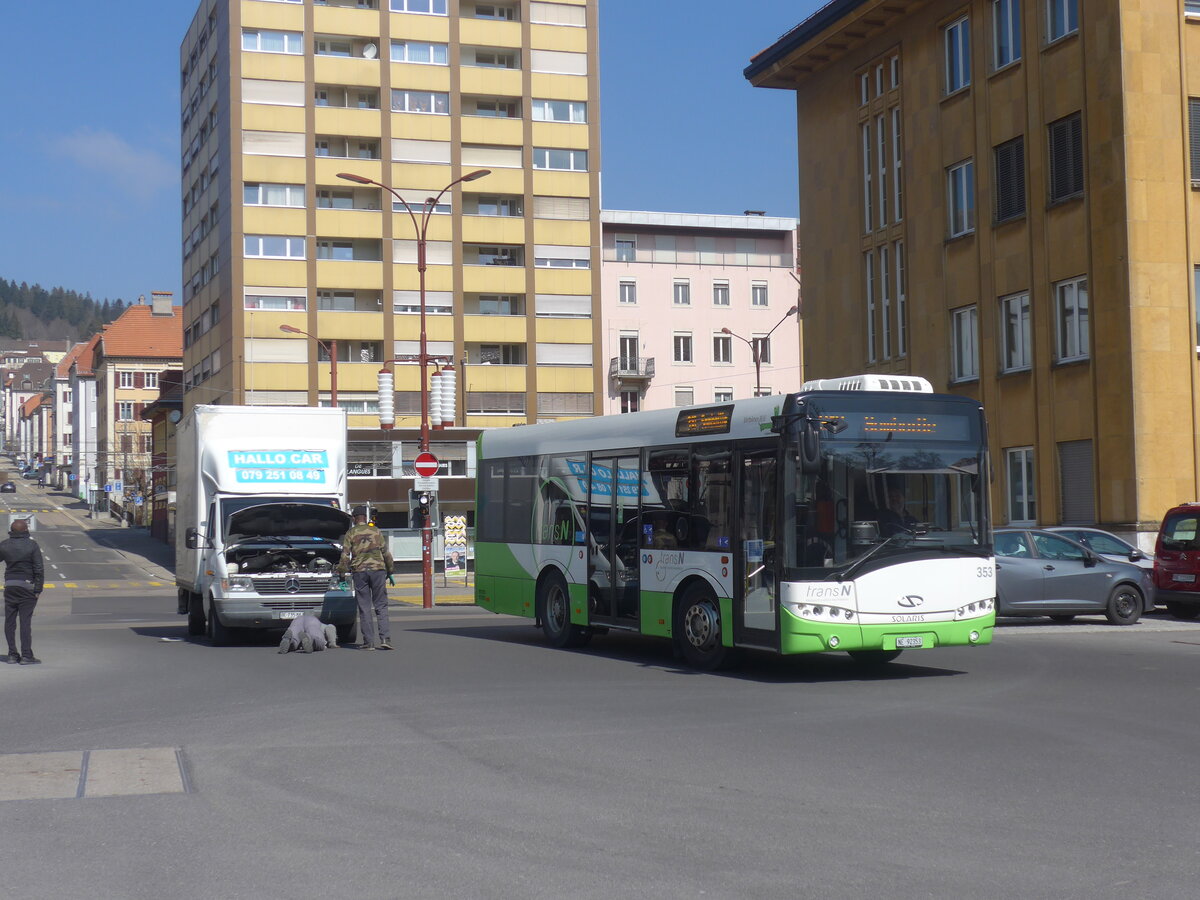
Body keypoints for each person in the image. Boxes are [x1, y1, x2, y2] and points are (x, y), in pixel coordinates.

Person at [337, 507, 395, 651]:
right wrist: (390, 571)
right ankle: (385, 639)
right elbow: (386, 553)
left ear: (354, 518)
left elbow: (345, 556)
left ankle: (369, 642)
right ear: (364, 517)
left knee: (364, 607)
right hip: (378, 571)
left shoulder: (351, 533)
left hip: (360, 572)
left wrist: (342, 575)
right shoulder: (376, 531)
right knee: (381, 605)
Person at [3, 518, 44, 665]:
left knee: (9, 621)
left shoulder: (5, 544)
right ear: (25, 530)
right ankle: (26, 656)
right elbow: (39, 569)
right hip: (27, 587)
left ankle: (12, 655)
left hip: (10, 586)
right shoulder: (32, 545)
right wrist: (38, 589)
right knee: (25, 622)